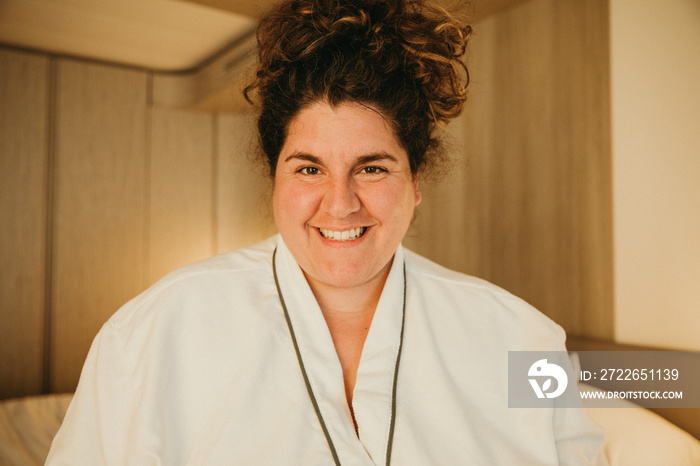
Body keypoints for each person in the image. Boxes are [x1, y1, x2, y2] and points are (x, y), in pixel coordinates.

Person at [47, 0, 607, 464]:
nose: (339, 204)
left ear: (416, 181)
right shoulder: (153, 334)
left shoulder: (521, 343)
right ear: (275, 180)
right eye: (309, 168)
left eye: (372, 167)